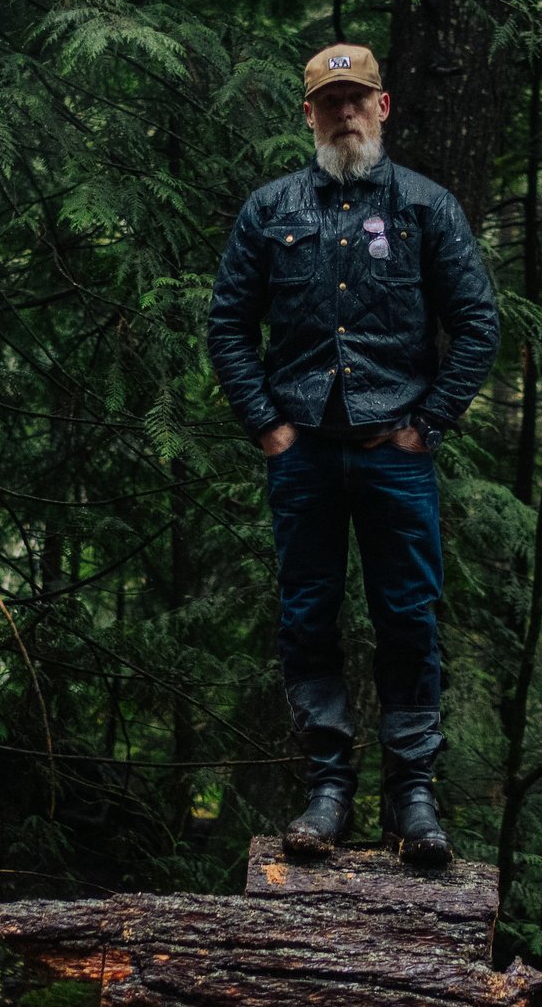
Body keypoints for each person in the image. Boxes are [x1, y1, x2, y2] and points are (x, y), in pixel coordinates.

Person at [206, 43, 501, 868]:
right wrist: (266, 424)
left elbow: (477, 324)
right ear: (307, 113)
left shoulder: (425, 207)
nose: (345, 113)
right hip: (302, 455)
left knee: (408, 619)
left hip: (394, 455)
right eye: (329, 100)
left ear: (384, 105)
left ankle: (413, 798)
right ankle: (327, 792)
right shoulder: (270, 210)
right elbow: (228, 325)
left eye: (357, 98)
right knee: (308, 618)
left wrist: (427, 422)